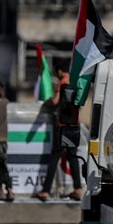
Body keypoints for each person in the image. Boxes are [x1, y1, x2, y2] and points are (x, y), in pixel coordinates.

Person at [36, 62, 83, 202]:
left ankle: (45, 190)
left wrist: (46, 102)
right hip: (74, 124)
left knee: (55, 156)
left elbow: (56, 101)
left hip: (62, 125)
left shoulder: (62, 82)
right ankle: (78, 189)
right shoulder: (76, 82)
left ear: (61, 71)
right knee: (73, 157)